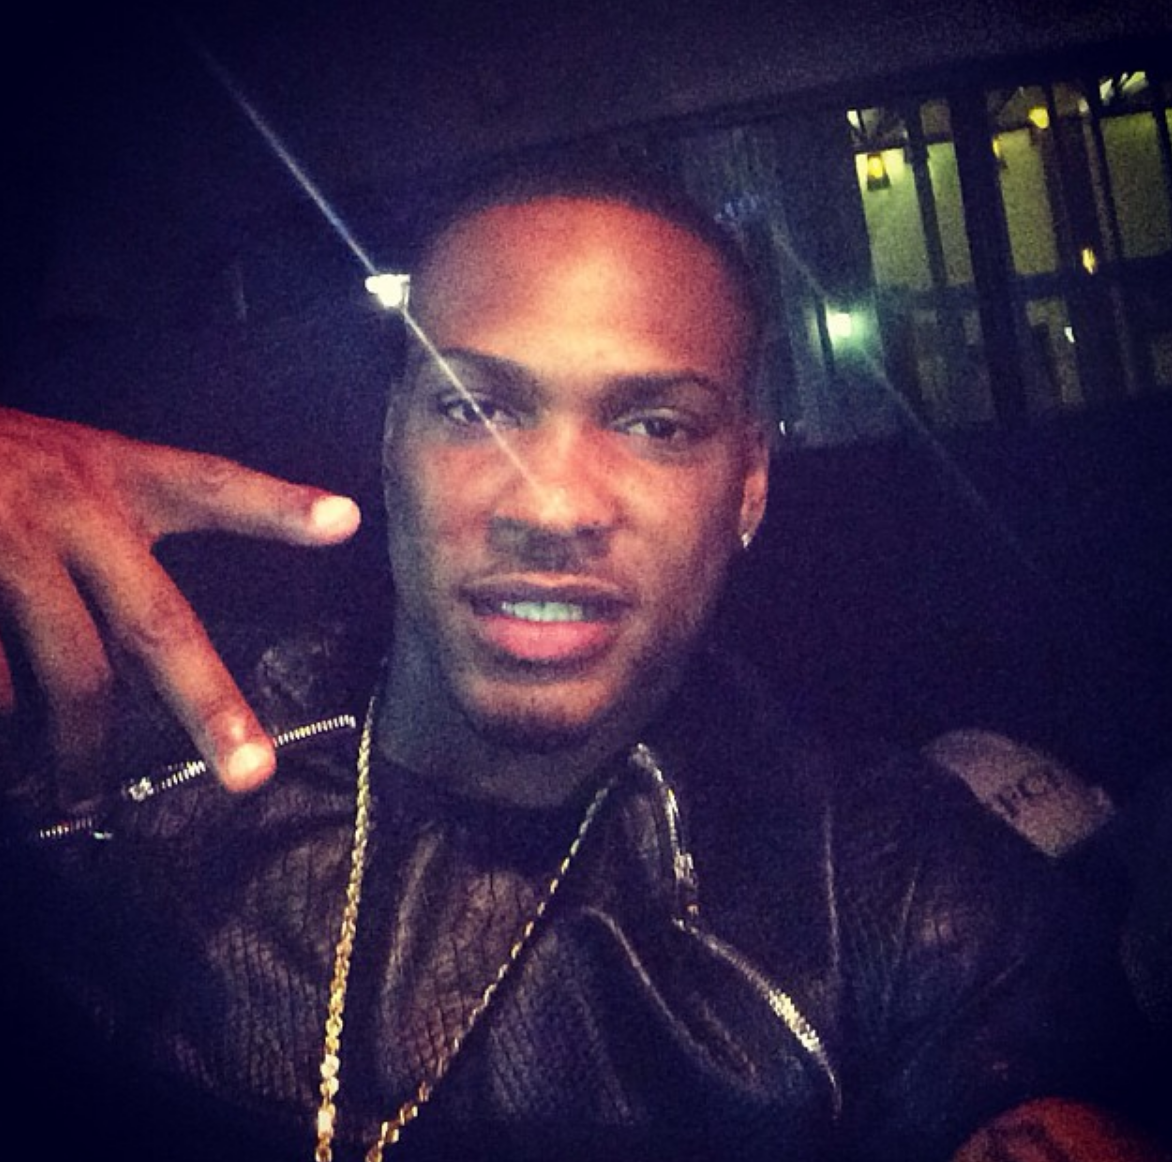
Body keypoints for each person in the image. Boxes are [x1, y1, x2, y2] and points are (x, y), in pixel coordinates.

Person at [0, 161, 1164, 1162]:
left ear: (747, 485)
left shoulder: (881, 889)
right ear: (391, 441)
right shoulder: (105, 735)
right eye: (474, 407)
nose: (551, 507)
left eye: (655, 425)